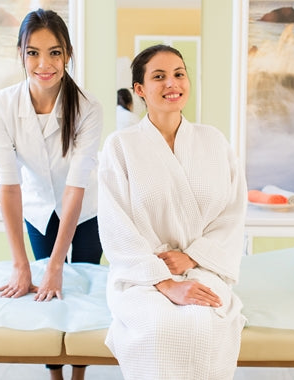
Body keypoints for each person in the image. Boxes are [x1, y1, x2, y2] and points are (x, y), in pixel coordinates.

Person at [97, 45, 248, 380]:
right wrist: (165, 281)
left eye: (179, 74)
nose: (172, 83)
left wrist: (192, 257)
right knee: (158, 328)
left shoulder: (214, 142)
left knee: (206, 324)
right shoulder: (121, 147)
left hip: (205, 267)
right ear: (140, 89)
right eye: (159, 76)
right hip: (142, 275)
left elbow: (232, 213)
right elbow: (115, 225)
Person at [0, 8, 102, 380]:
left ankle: (79, 374)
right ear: (19, 52)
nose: (44, 63)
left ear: (67, 53)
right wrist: (22, 265)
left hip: (85, 212)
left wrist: (56, 266)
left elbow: (75, 188)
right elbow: (9, 185)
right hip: (37, 210)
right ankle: (54, 375)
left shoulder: (88, 108)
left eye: (54, 52)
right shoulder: (1, 106)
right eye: (33, 52)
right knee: (44, 296)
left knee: (78, 290)